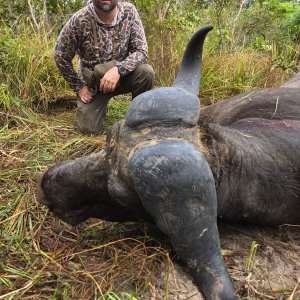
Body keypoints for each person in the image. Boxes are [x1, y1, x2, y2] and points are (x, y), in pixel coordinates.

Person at [54, 0, 155, 134]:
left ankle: (139, 119)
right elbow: (60, 55)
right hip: (93, 86)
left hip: (122, 77)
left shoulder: (129, 12)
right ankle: (98, 107)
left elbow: (141, 51)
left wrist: (119, 69)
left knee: (146, 73)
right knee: (89, 130)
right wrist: (78, 87)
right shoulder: (79, 20)